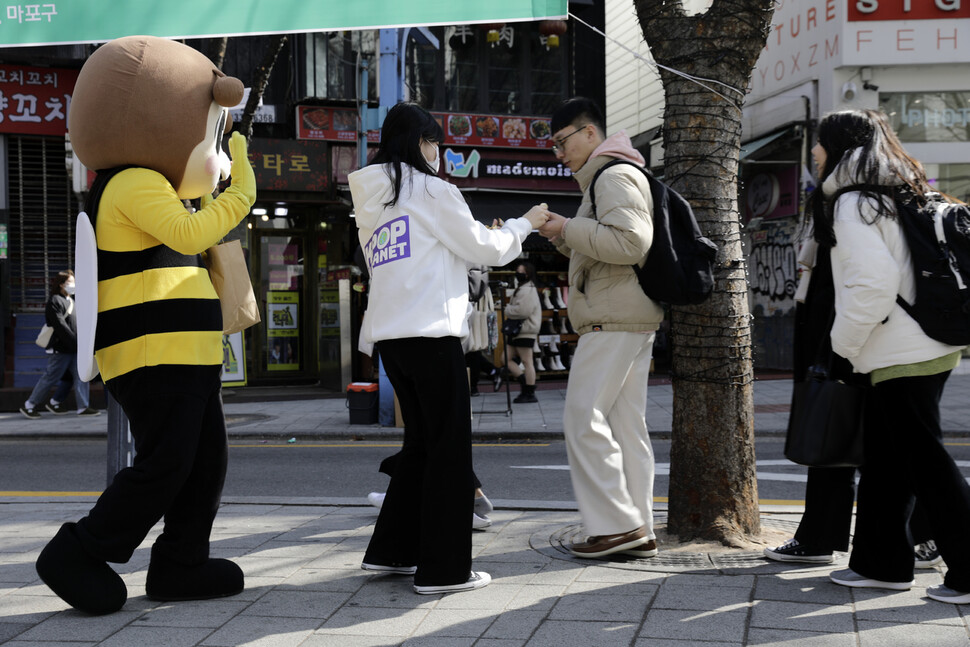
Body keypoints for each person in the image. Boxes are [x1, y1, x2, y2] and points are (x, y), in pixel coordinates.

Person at [349, 101, 549, 595]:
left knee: (420, 445)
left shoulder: (372, 197)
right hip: (432, 334)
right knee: (448, 451)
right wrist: (525, 223)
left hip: (390, 337)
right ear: (421, 143)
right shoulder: (432, 190)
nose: (440, 151)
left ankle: (392, 552)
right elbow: (487, 248)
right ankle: (444, 570)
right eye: (436, 141)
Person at [806, 109, 970, 604]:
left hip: (900, 351)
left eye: (816, 145)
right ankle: (881, 564)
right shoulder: (901, 192)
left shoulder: (854, 202)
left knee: (927, 464)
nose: (812, 154)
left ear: (835, 148)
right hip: (926, 345)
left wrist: (841, 350)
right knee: (886, 460)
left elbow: (872, 287)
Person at [537, 97, 663, 559]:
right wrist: (562, 233)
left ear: (590, 133)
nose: (559, 153)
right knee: (625, 426)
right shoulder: (608, 177)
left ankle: (617, 526)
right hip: (626, 314)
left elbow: (631, 242)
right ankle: (639, 528)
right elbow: (608, 248)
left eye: (561, 141)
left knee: (582, 416)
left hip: (614, 317)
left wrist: (568, 227)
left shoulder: (613, 175)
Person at [764, 237, 939, 568]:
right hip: (853, 330)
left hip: (860, 334)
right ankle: (823, 536)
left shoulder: (851, 200)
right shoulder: (848, 198)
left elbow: (865, 281)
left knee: (886, 438)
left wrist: (842, 345)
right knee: (842, 428)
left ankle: (925, 533)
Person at [20, 270, 100, 419]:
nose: (73, 285)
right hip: (61, 349)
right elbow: (60, 326)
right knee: (50, 377)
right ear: (61, 284)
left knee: (81, 377)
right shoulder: (55, 300)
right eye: (70, 282)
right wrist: (76, 343)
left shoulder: (72, 300)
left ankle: (82, 407)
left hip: (73, 349)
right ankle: (30, 405)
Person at [503, 260, 542, 403]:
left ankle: (529, 391)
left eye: (522, 272)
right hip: (518, 330)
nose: (519, 274)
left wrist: (507, 309)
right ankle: (525, 385)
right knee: (505, 359)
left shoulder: (527, 289)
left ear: (528, 274)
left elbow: (522, 311)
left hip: (524, 329)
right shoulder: (524, 288)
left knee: (526, 361)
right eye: (517, 271)